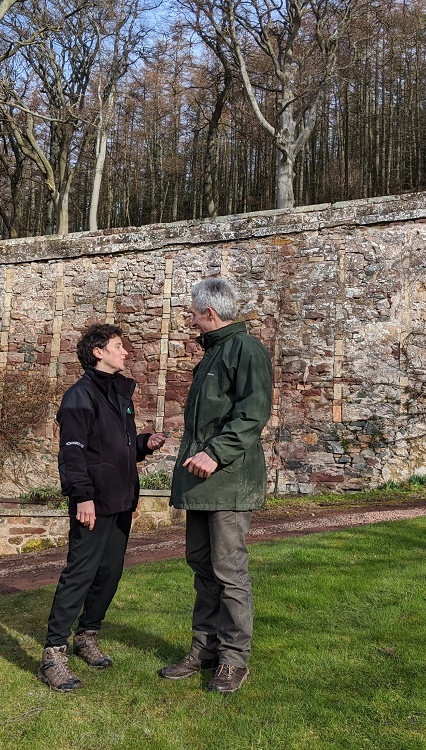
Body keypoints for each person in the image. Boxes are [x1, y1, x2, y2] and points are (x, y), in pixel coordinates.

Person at [159, 278, 273, 694]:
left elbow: (252, 413)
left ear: (209, 313)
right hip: (201, 484)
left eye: (193, 313)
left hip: (228, 481)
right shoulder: (214, 354)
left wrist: (215, 453)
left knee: (229, 571)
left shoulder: (246, 349)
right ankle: (204, 649)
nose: (191, 319)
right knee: (202, 567)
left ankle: (233, 659)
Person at [38, 323, 166, 692]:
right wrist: (82, 497)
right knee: (80, 573)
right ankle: (54, 653)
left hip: (120, 501)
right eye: (118, 346)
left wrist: (143, 444)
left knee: (109, 572)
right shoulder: (79, 396)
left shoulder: (119, 395)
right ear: (98, 352)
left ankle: (87, 637)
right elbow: (73, 452)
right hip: (91, 502)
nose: (125, 352)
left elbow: (111, 447)